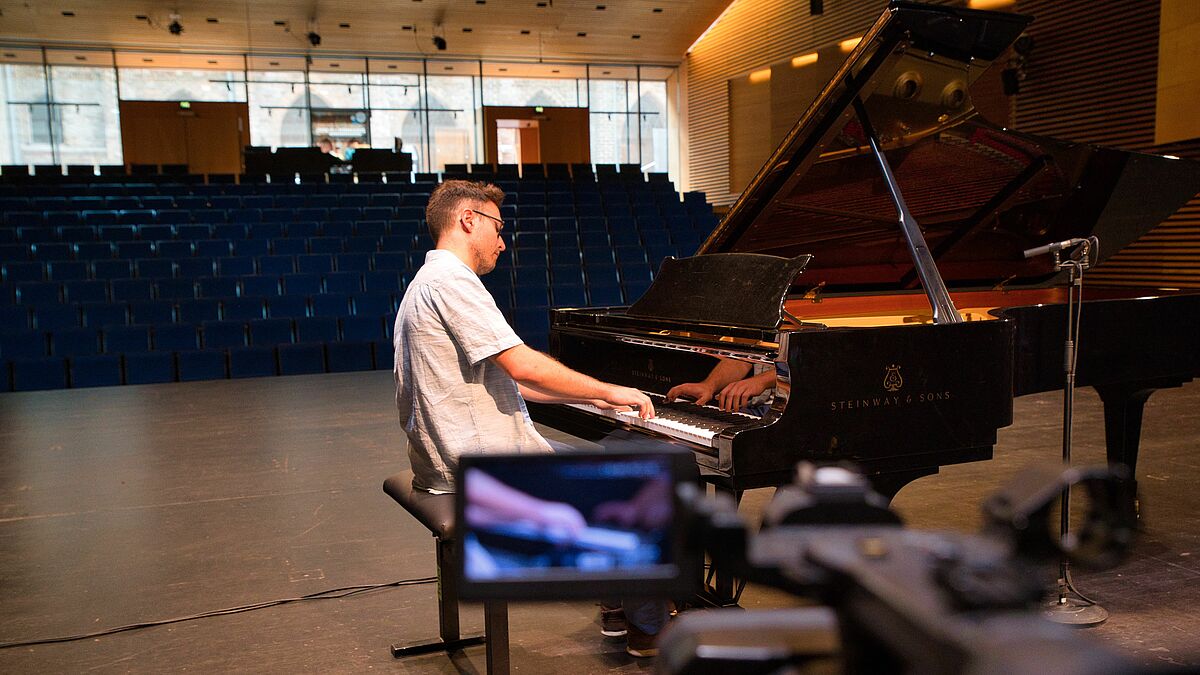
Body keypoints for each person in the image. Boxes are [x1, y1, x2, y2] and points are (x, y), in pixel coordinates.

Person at [392, 179, 666, 656]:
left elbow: (512, 382)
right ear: (467, 220)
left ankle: (618, 606)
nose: (502, 240)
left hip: (450, 458)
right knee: (636, 487)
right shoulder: (453, 282)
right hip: (476, 468)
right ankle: (650, 629)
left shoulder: (426, 282)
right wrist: (606, 387)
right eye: (498, 227)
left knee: (604, 469)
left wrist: (592, 401)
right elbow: (521, 364)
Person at [666, 357, 776, 416]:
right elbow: (742, 359)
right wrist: (709, 386)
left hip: (784, 411)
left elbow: (793, 362)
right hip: (752, 408)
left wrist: (762, 380)